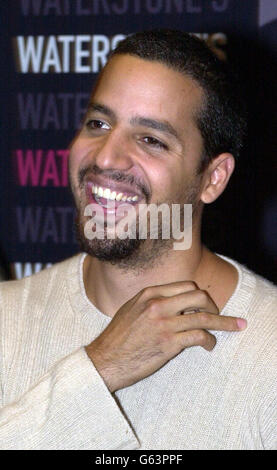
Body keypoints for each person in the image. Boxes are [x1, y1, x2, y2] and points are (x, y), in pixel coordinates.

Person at [0, 30, 277, 450]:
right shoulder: (7, 319)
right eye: (99, 123)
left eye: (151, 140)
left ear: (212, 178)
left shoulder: (268, 351)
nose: (106, 157)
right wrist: (100, 368)